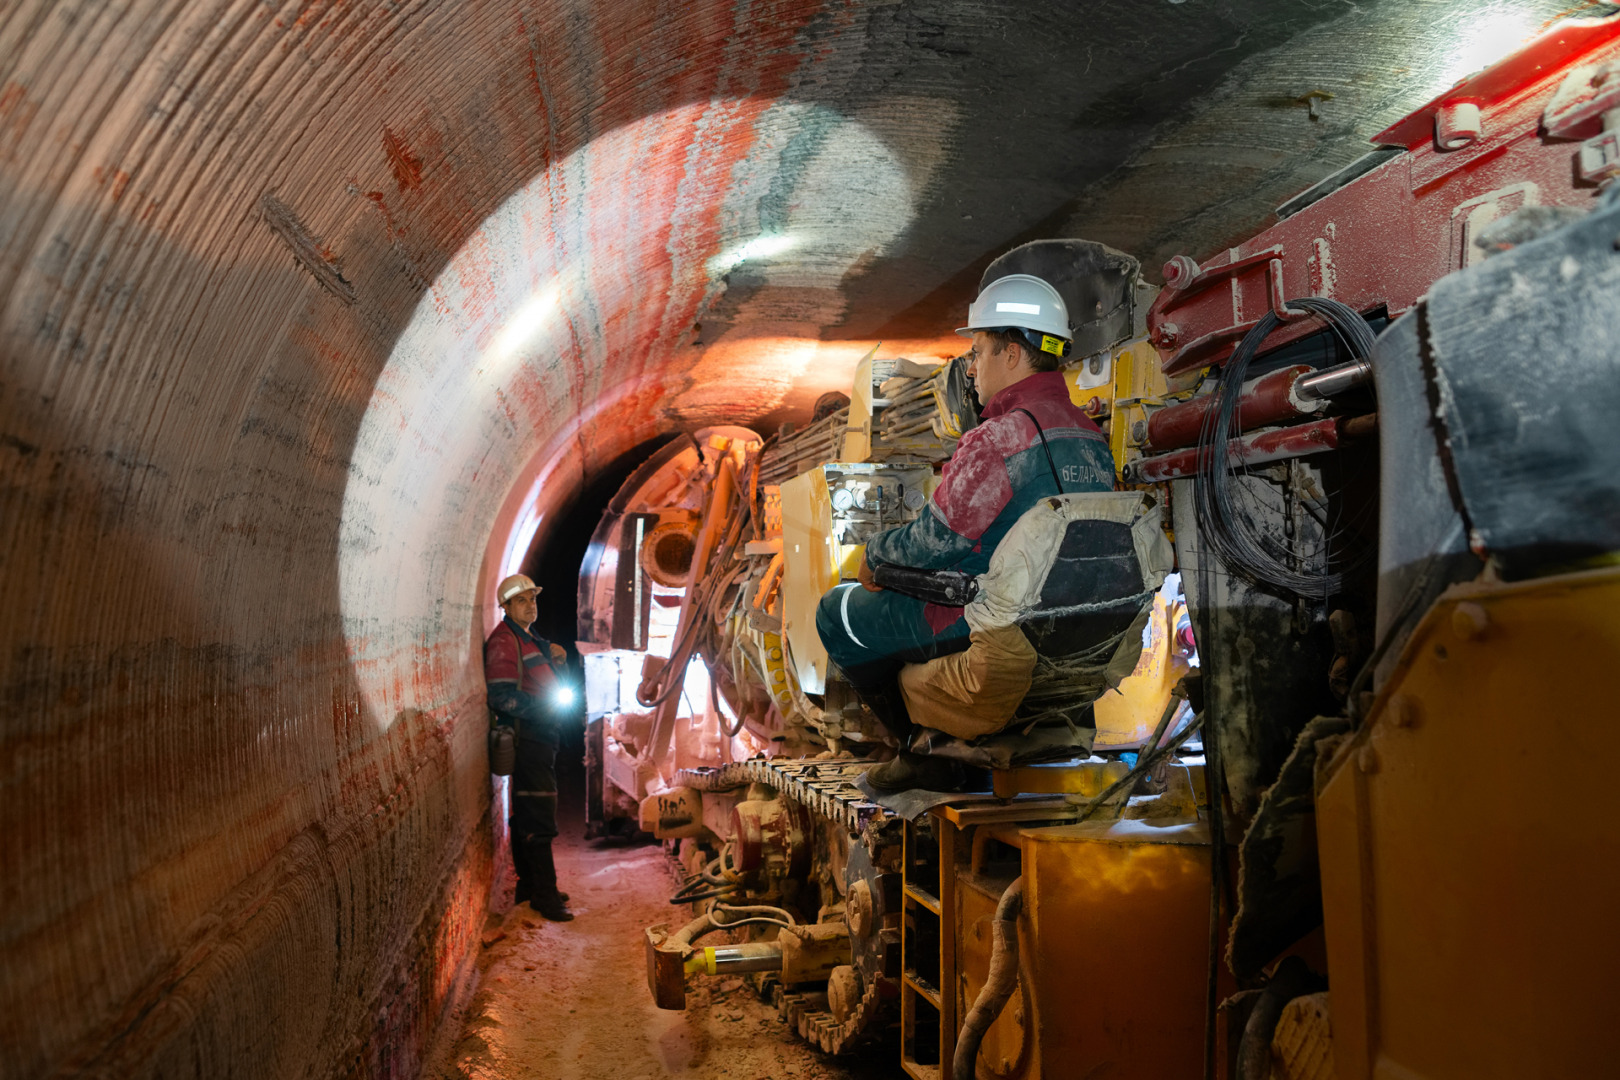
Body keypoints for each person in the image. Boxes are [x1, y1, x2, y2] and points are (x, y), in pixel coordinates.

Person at [816, 274, 1116, 792]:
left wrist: (875, 552)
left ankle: (918, 751)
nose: (971, 368)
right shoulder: (1090, 438)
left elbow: (934, 544)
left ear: (1014, 353)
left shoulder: (998, 437)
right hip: (1064, 622)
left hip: (980, 619)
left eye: (978, 352)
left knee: (835, 612)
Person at [485, 573, 575, 920]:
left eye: (532, 598)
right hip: (529, 739)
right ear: (505, 607)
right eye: (521, 600)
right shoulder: (504, 642)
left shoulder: (527, 636)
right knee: (538, 814)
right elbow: (502, 697)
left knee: (529, 810)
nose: (530, 605)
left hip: (540, 737)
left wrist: (554, 657)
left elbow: (534, 673)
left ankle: (530, 886)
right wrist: (546, 709)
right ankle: (545, 896)